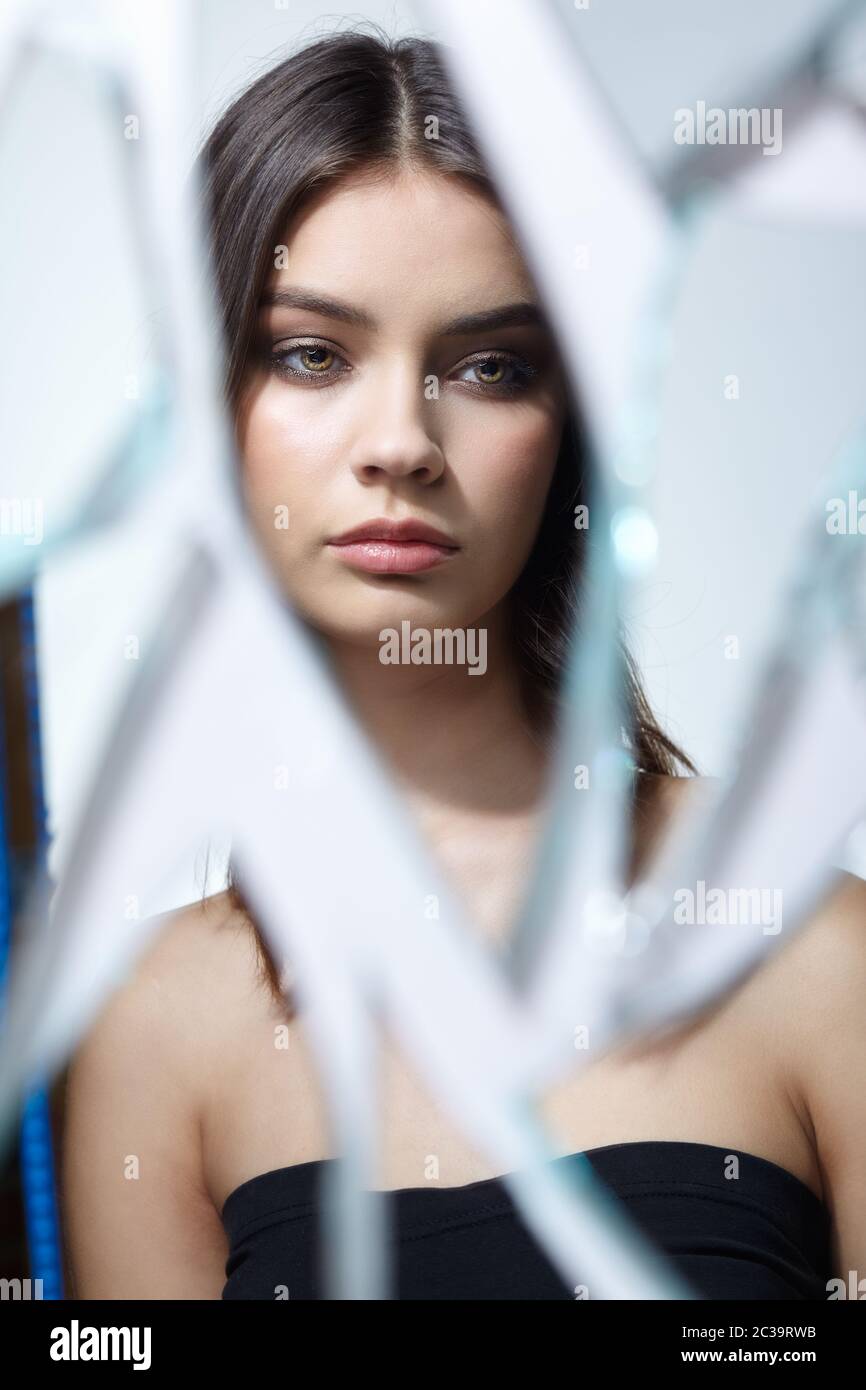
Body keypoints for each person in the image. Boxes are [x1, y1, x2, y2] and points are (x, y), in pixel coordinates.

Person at [61, 25, 866, 1300]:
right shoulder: (146, 1031)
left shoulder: (814, 954)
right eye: (311, 352)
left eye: (488, 366)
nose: (401, 443)